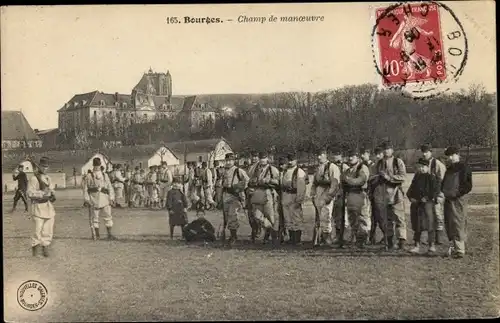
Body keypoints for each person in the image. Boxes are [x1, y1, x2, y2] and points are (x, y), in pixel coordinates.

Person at [372, 141, 407, 250]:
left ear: (392, 150)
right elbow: (371, 177)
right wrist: (378, 177)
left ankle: (402, 242)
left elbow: (403, 176)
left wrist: (389, 177)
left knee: (399, 219)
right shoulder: (378, 164)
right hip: (382, 195)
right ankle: (390, 243)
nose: (386, 151)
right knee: (386, 220)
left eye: (388, 149)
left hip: (396, 194)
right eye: (384, 149)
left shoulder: (398, 161)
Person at [441, 146, 472, 258]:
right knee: (449, 223)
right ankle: (454, 247)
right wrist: (444, 191)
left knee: (458, 222)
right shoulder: (449, 169)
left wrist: (457, 194)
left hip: (458, 200)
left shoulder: (464, 168)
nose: (450, 157)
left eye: (452, 155)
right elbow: (443, 183)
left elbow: (468, 185)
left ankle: (460, 250)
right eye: (449, 156)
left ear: (458, 155)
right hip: (448, 199)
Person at [406, 158, 441, 254]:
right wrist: (411, 197)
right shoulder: (416, 177)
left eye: (423, 167)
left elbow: (435, 191)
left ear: (427, 167)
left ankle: (431, 245)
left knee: (430, 224)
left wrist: (428, 198)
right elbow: (411, 190)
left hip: (427, 204)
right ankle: (416, 246)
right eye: (419, 167)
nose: (421, 169)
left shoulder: (431, 177)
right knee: (417, 225)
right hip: (417, 204)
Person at [247, 152, 280, 246]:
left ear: (267, 159)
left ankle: (273, 237)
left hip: (268, 193)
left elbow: (278, 182)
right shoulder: (254, 169)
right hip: (256, 194)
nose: (262, 160)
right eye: (261, 158)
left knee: (271, 216)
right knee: (257, 216)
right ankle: (270, 229)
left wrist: (268, 180)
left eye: (264, 158)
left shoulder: (272, 169)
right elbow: (249, 180)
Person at [341, 150, 371, 248]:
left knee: (362, 217)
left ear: (358, 158)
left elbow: (361, 181)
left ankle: (362, 241)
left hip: (360, 193)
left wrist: (349, 180)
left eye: (353, 156)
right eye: (349, 156)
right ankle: (356, 239)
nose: (350, 158)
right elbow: (342, 181)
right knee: (352, 218)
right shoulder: (348, 170)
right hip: (350, 195)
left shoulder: (362, 168)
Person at [27, 157, 56, 257]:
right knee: (37, 229)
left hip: (48, 206)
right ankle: (35, 249)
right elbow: (30, 193)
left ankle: (45, 248)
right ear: (39, 166)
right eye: (43, 166)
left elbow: (51, 189)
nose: (45, 168)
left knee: (48, 229)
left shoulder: (48, 178)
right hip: (38, 206)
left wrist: (51, 193)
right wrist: (42, 193)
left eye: (47, 167)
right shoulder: (34, 178)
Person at [311, 148, 341, 247]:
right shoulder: (318, 167)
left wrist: (330, 196)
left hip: (327, 191)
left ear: (325, 155)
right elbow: (314, 182)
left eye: (321, 155)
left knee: (326, 215)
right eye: (318, 155)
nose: (319, 157)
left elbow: (335, 183)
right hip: (319, 192)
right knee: (320, 216)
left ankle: (327, 238)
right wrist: (313, 193)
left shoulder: (332, 167)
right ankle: (321, 238)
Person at [83, 158, 117, 240]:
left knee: (108, 216)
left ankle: (109, 234)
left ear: (100, 165)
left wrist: (111, 197)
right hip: (93, 199)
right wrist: (87, 199)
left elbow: (109, 187)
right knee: (95, 218)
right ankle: (96, 235)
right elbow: (85, 189)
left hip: (105, 199)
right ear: (93, 165)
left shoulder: (105, 175)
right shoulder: (89, 176)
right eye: (96, 165)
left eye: (98, 165)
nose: (97, 167)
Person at [420, 143, 447, 245]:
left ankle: (438, 238)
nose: (424, 154)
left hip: (437, 192)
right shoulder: (422, 163)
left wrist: (439, 193)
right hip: (426, 194)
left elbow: (442, 179)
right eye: (423, 152)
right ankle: (430, 237)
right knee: (428, 215)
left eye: (426, 152)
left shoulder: (437, 164)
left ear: (431, 152)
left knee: (438, 214)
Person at [221, 153, 249, 247]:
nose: (228, 162)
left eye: (230, 160)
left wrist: (240, 188)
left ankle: (234, 236)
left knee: (232, 215)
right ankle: (230, 235)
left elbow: (247, 180)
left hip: (235, 195)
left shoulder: (238, 170)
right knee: (226, 216)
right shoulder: (224, 171)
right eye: (227, 160)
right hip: (226, 195)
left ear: (234, 161)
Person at [280, 152, 307, 246]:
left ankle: (297, 239)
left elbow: (302, 187)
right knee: (287, 218)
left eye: (292, 160)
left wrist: (299, 199)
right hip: (286, 195)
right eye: (289, 160)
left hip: (294, 195)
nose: (290, 162)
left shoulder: (299, 172)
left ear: (296, 160)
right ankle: (291, 238)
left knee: (296, 218)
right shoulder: (285, 171)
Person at [368, 147, 386, 244]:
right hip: (374, 193)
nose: (378, 156)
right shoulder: (374, 166)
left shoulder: (385, 165)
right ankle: (372, 238)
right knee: (373, 217)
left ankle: (388, 237)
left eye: (379, 154)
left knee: (381, 217)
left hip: (382, 194)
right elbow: (370, 178)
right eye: (376, 154)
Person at [332, 149, 350, 245]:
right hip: (334, 194)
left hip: (343, 194)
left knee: (345, 217)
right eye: (334, 154)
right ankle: (338, 236)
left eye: (337, 154)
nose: (336, 157)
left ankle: (345, 237)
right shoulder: (331, 166)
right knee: (336, 217)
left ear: (341, 156)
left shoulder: (345, 167)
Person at [245, 152, 261, 243]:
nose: (254, 158)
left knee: (256, 213)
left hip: (256, 191)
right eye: (253, 156)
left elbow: (257, 179)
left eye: (256, 156)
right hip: (248, 192)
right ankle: (254, 230)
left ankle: (257, 230)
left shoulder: (259, 167)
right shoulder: (249, 167)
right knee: (250, 214)